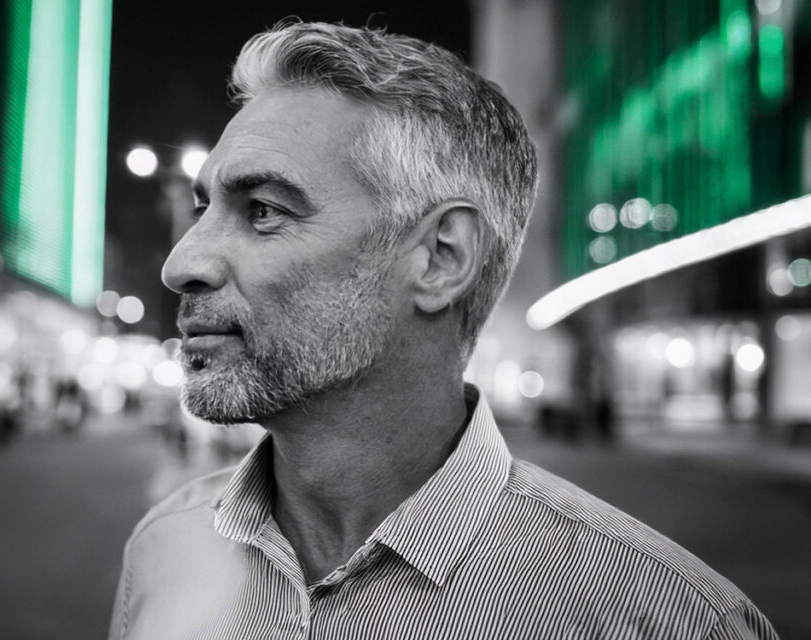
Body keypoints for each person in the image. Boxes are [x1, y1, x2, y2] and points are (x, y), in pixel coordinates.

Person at [109, 20, 777, 639]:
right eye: (202, 208)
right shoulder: (165, 547)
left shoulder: (662, 619)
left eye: (262, 211)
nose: (180, 264)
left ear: (441, 257)